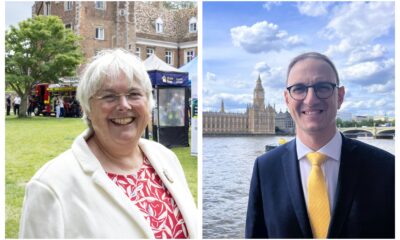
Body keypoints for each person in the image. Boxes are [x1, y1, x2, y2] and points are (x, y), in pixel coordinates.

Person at [19, 49, 197, 238]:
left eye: (134, 94)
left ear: (148, 102)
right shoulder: (50, 186)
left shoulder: (165, 158)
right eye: (109, 96)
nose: (124, 105)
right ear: (87, 108)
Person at [245, 52, 394, 238]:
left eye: (322, 87)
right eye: (299, 89)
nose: (310, 99)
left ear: (340, 96)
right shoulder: (265, 169)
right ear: (287, 99)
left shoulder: (387, 168)